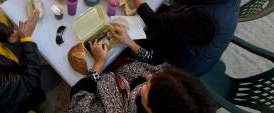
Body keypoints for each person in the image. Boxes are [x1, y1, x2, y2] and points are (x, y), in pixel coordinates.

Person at [116, 0, 248, 76]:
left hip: (175, 68)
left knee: (119, 47)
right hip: (181, 38)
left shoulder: (206, 19)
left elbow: (155, 23)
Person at [69, 40, 215, 113]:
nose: (149, 76)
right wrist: (130, 43)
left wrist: (99, 64)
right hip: (118, 66)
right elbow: (155, 62)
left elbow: (78, 98)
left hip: (97, 76)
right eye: (157, 74)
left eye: (149, 85)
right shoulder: (166, 79)